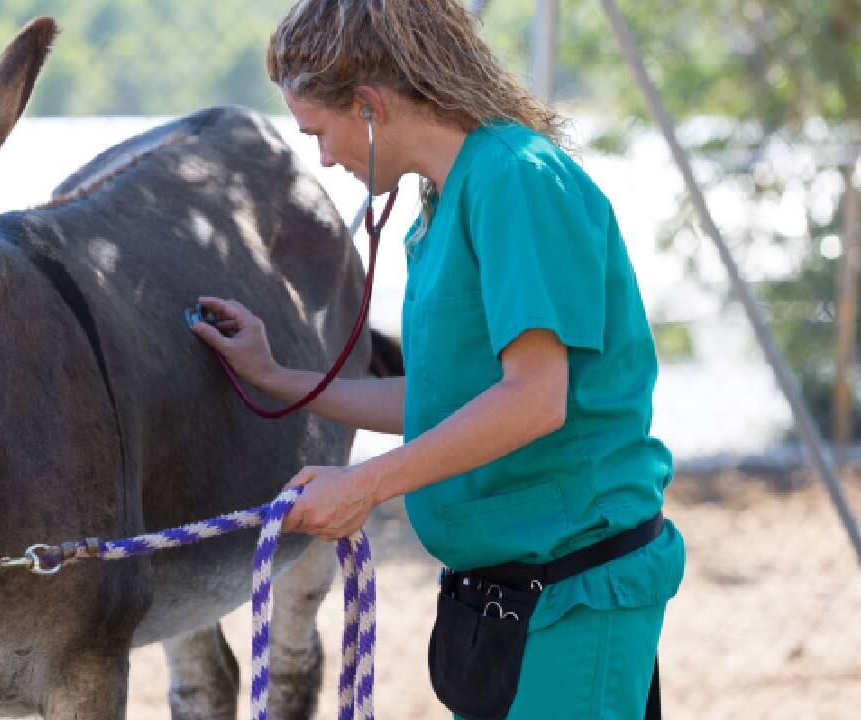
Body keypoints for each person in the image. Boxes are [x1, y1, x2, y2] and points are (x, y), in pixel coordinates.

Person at [189, 0, 686, 717]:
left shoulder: (517, 179)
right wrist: (280, 378)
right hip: (504, 597)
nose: (322, 158)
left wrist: (365, 485)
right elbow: (443, 400)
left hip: (571, 594)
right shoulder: (447, 200)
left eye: (318, 133)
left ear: (368, 106)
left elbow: (534, 399)